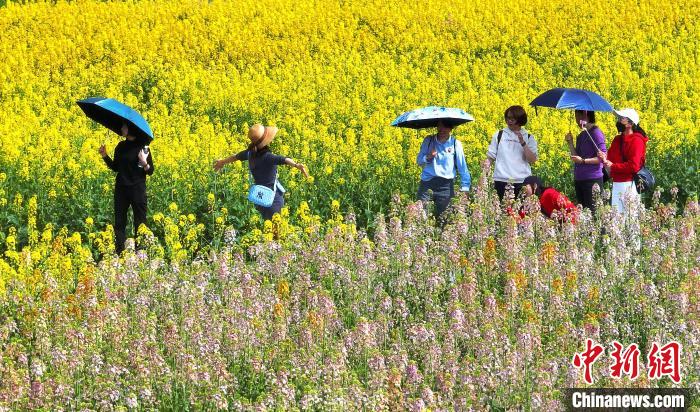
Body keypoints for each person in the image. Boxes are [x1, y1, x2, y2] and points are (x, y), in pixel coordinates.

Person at [213, 124, 309, 220]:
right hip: (273, 199)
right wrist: (297, 165)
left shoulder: (250, 154)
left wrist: (222, 162)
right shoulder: (268, 157)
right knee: (276, 231)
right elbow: (283, 159)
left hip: (260, 198)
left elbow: (235, 156)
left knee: (267, 227)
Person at [99, 123, 154, 255]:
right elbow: (115, 167)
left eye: (124, 127)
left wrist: (144, 162)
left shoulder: (143, 148)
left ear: (131, 129)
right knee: (119, 223)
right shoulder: (121, 146)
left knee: (140, 222)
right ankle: (120, 253)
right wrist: (105, 156)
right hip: (121, 188)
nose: (121, 129)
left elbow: (150, 171)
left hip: (137, 189)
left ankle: (141, 253)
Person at [416, 120, 471, 223]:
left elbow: (462, 167)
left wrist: (465, 187)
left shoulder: (455, 144)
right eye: (439, 126)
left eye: (445, 127)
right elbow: (419, 160)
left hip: (446, 186)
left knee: (444, 219)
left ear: (451, 128)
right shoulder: (429, 140)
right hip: (427, 183)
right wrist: (428, 157)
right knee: (421, 217)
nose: (442, 129)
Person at [597, 108, 648, 214]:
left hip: (630, 184)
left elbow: (634, 166)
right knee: (617, 220)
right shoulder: (617, 139)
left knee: (631, 220)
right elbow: (610, 161)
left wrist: (613, 166)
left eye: (621, 118)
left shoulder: (637, 140)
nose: (618, 121)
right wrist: (604, 158)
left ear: (630, 123)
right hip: (616, 183)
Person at [486, 105, 538, 201]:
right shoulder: (499, 135)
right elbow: (490, 158)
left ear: (520, 120)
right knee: (502, 213)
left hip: (522, 181)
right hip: (501, 180)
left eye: (513, 119)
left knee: (521, 213)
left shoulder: (529, 137)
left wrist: (523, 143)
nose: (509, 121)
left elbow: (532, 160)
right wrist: (484, 175)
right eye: (508, 118)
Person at [565, 110, 606, 212]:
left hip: (592, 180)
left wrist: (583, 161)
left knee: (594, 214)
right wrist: (570, 143)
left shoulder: (596, 133)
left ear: (585, 115)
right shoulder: (582, 135)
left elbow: (602, 158)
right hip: (579, 179)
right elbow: (576, 157)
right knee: (583, 215)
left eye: (577, 117)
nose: (576, 121)